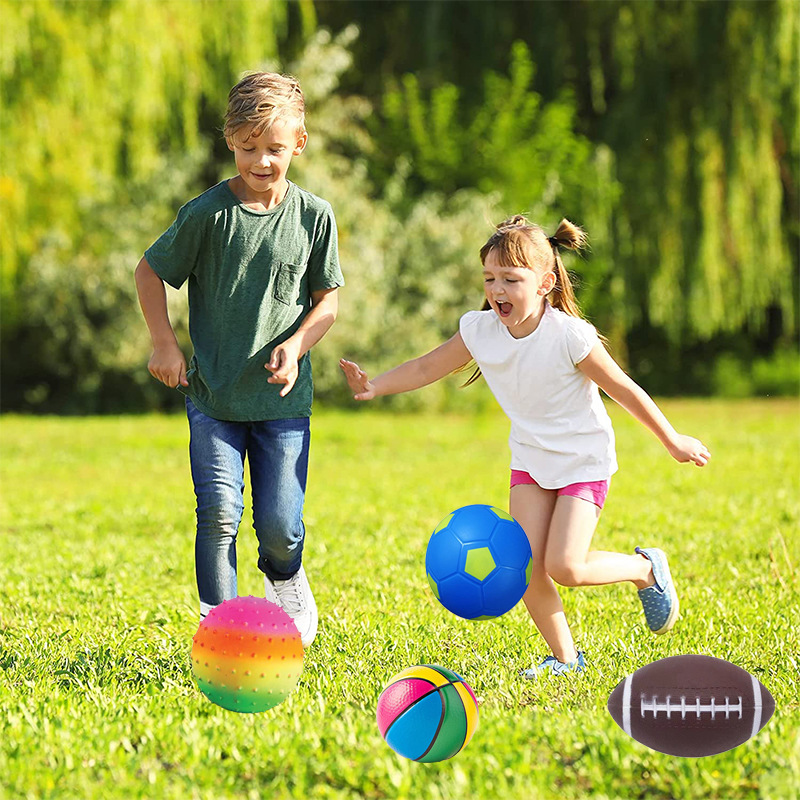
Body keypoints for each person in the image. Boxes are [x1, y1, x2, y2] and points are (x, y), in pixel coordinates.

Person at [340, 215, 709, 676]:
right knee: (528, 567)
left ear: (546, 284)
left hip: (582, 461)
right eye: (490, 278)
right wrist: (375, 386)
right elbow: (424, 368)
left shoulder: (570, 335)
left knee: (566, 567)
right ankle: (566, 659)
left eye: (511, 279)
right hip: (531, 462)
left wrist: (672, 439)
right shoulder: (479, 331)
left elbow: (624, 389)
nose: (497, 290)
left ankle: (644, 570)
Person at [135, 72, 344, 648]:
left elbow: (327, 301)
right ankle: (219, 631)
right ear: (230, 140)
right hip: (214, 399)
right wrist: (163, 341)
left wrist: (297, 346)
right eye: (249, 147)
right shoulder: (206, 215)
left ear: (299, 143)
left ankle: (286, 577)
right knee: (219, 515)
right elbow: (150, 271)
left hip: (281, 404)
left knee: (279, 528)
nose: (261, 160)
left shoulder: (314, 216)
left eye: (274, 148)